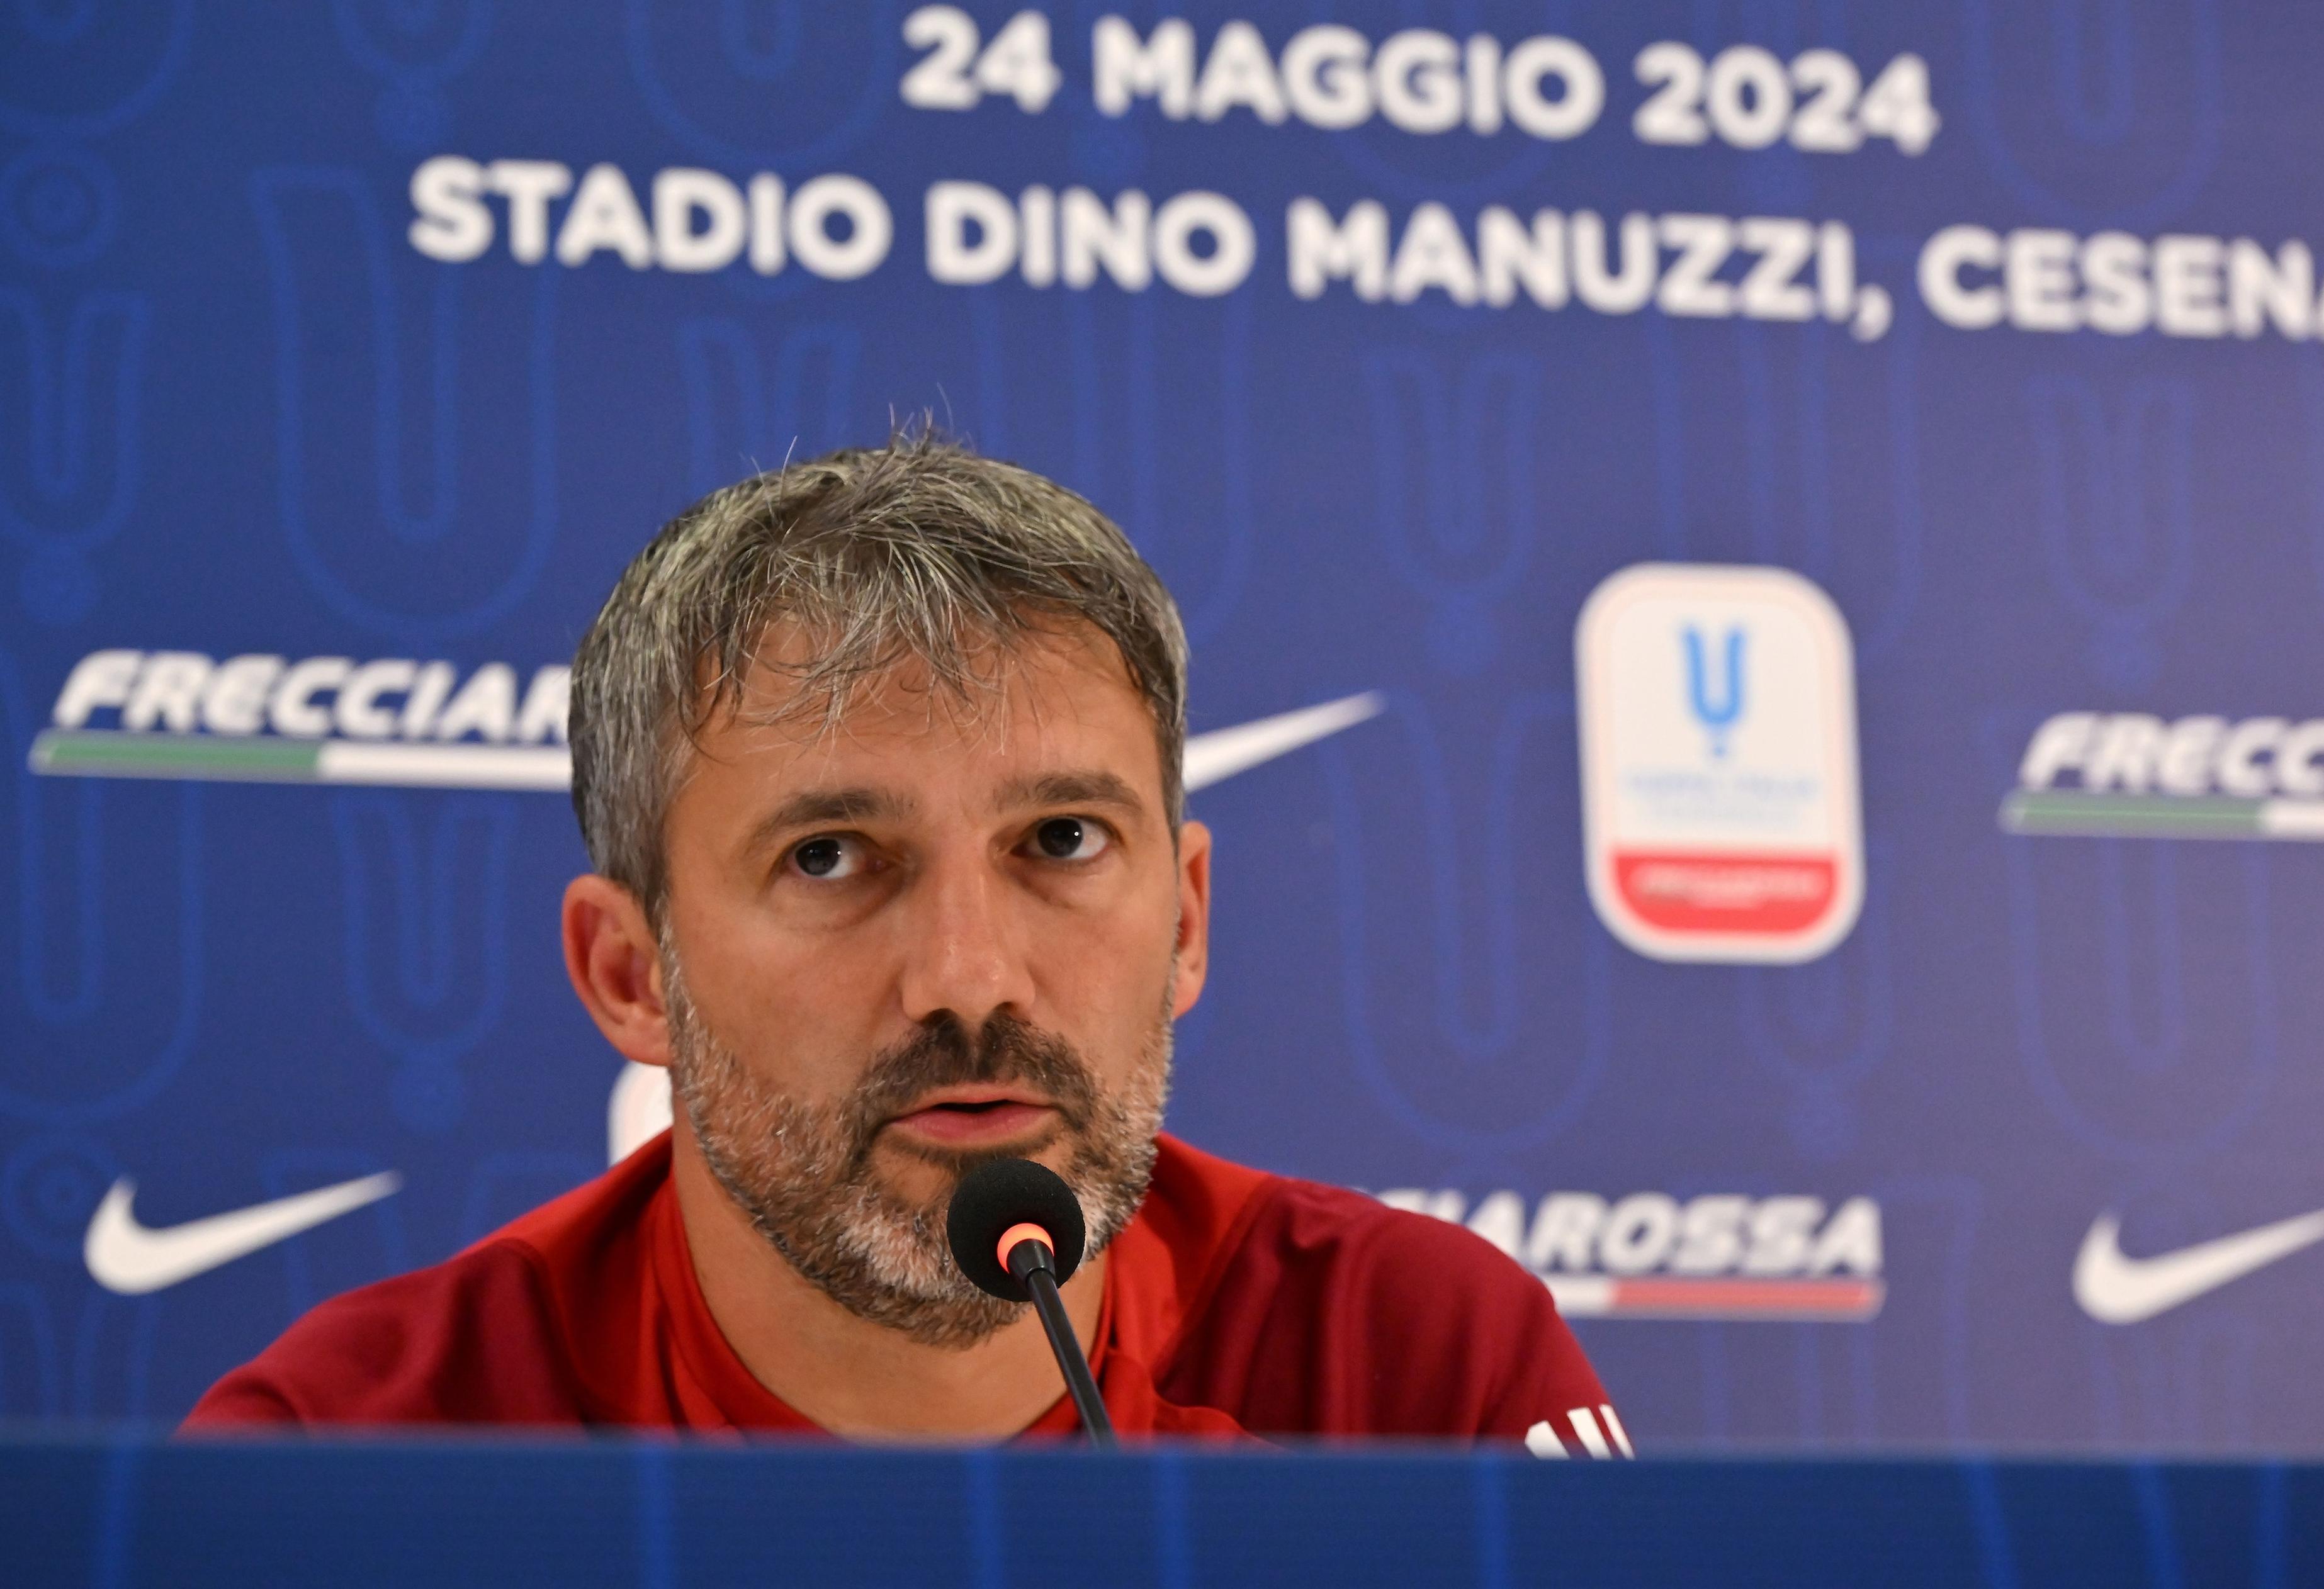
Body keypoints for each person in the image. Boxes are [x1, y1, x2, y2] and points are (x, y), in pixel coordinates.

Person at [186, 434, 1628, 1454]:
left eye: (1061, 840)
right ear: (632, 974)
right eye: (829, 857)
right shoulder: (347, 1459)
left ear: (1187, 918)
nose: (970, 975)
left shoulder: (1420, 1378)